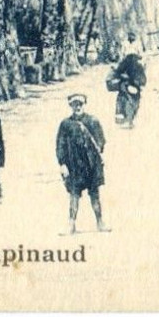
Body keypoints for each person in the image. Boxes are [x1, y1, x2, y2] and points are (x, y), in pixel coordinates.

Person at [55, 92, 107, 234]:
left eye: (80, 104)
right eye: (74, 104)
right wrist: (62, 164)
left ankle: (100, 222)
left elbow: (101, 141)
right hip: (74, 165)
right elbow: (60, 145)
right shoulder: (65, 124)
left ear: (84, 105)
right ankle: (71, 225)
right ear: (70, 106)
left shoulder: (93, 121)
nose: (77, 107)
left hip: (91, 164)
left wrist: (92, 151)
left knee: (95, 194)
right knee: (74, 194)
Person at [109, 34, 147, 129]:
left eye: (132, 36)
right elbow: (119, 67)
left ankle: (128, 117)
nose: (131, 37)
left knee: (134, 99)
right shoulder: (126, 58)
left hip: (134, 83)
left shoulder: (137, 64)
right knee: (122, 97)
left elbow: (142, 76)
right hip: (127, 83)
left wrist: (140, 83)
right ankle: (122, 115)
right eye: (130, 36)